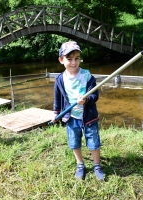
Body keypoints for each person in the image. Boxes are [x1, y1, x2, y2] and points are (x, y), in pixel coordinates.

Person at [52, 41, 105, 180]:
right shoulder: (59, 79)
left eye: (77, 58)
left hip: (89, 116)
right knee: (74, 141)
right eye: (69, 59)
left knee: (93, 141)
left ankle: (97, 165)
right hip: (71, 117)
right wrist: (56, 114)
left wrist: (86, 100)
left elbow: (95, 95)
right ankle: (80, 164)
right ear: (61, 60)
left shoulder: (87, 75)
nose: (74, 63)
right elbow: (57, 99)